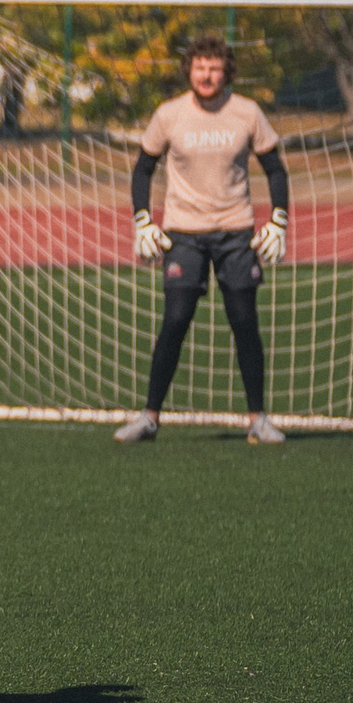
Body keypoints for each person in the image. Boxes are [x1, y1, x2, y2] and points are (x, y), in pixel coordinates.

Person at [115, 33, 291, 445]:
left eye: (214, 67)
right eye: (199, 67)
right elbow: (142, 170)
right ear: (189, 70)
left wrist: (279, 219)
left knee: (245, 322)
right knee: (175, 321)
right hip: (184, 233)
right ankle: (150, 417)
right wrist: (143, 220)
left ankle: (258, 420)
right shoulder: (169, 114)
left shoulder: (247, 112)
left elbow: (276, 170)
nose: (206, 74)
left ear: (226, 71)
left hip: (235, 232)